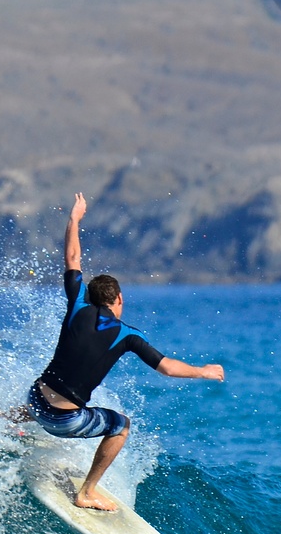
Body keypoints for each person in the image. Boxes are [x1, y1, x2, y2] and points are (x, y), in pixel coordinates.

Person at [26, 193, 225, 512]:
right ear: (117, 298)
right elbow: (168, 368)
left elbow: (73, 259)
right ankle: (87, 492)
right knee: (121, 425)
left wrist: (74, 219)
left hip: (34, 400)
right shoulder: (128, 334)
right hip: (63, 421)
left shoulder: (77, 305)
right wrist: (203, 371)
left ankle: (13, 419)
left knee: (46, 390)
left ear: (92, 297)